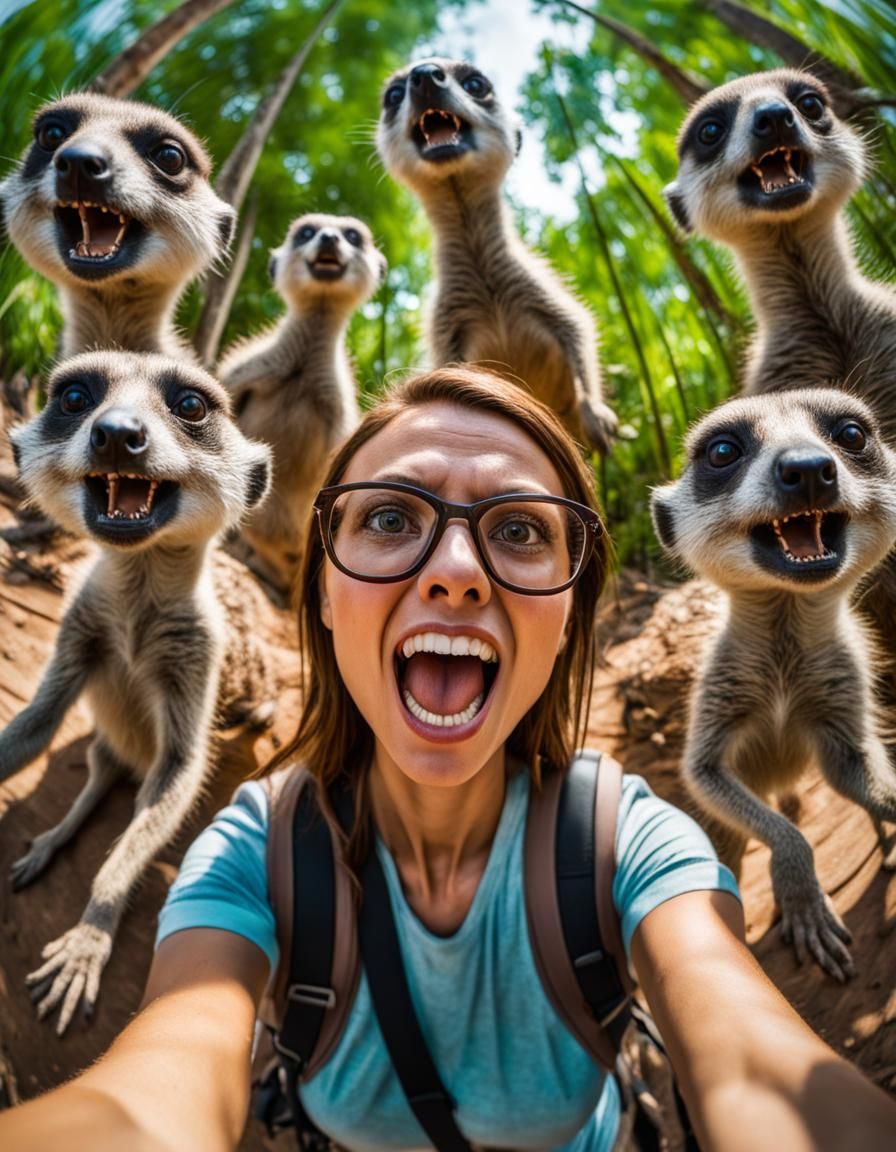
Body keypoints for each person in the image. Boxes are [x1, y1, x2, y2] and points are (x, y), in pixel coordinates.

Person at [2, 366, 894, 1152]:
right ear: (321, 586)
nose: (456, 571)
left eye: (519, 531)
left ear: (571, 610)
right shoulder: (255, 851)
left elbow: (749, 1056)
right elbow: (161, 1082)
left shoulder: (631, 843)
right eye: (391, 518)